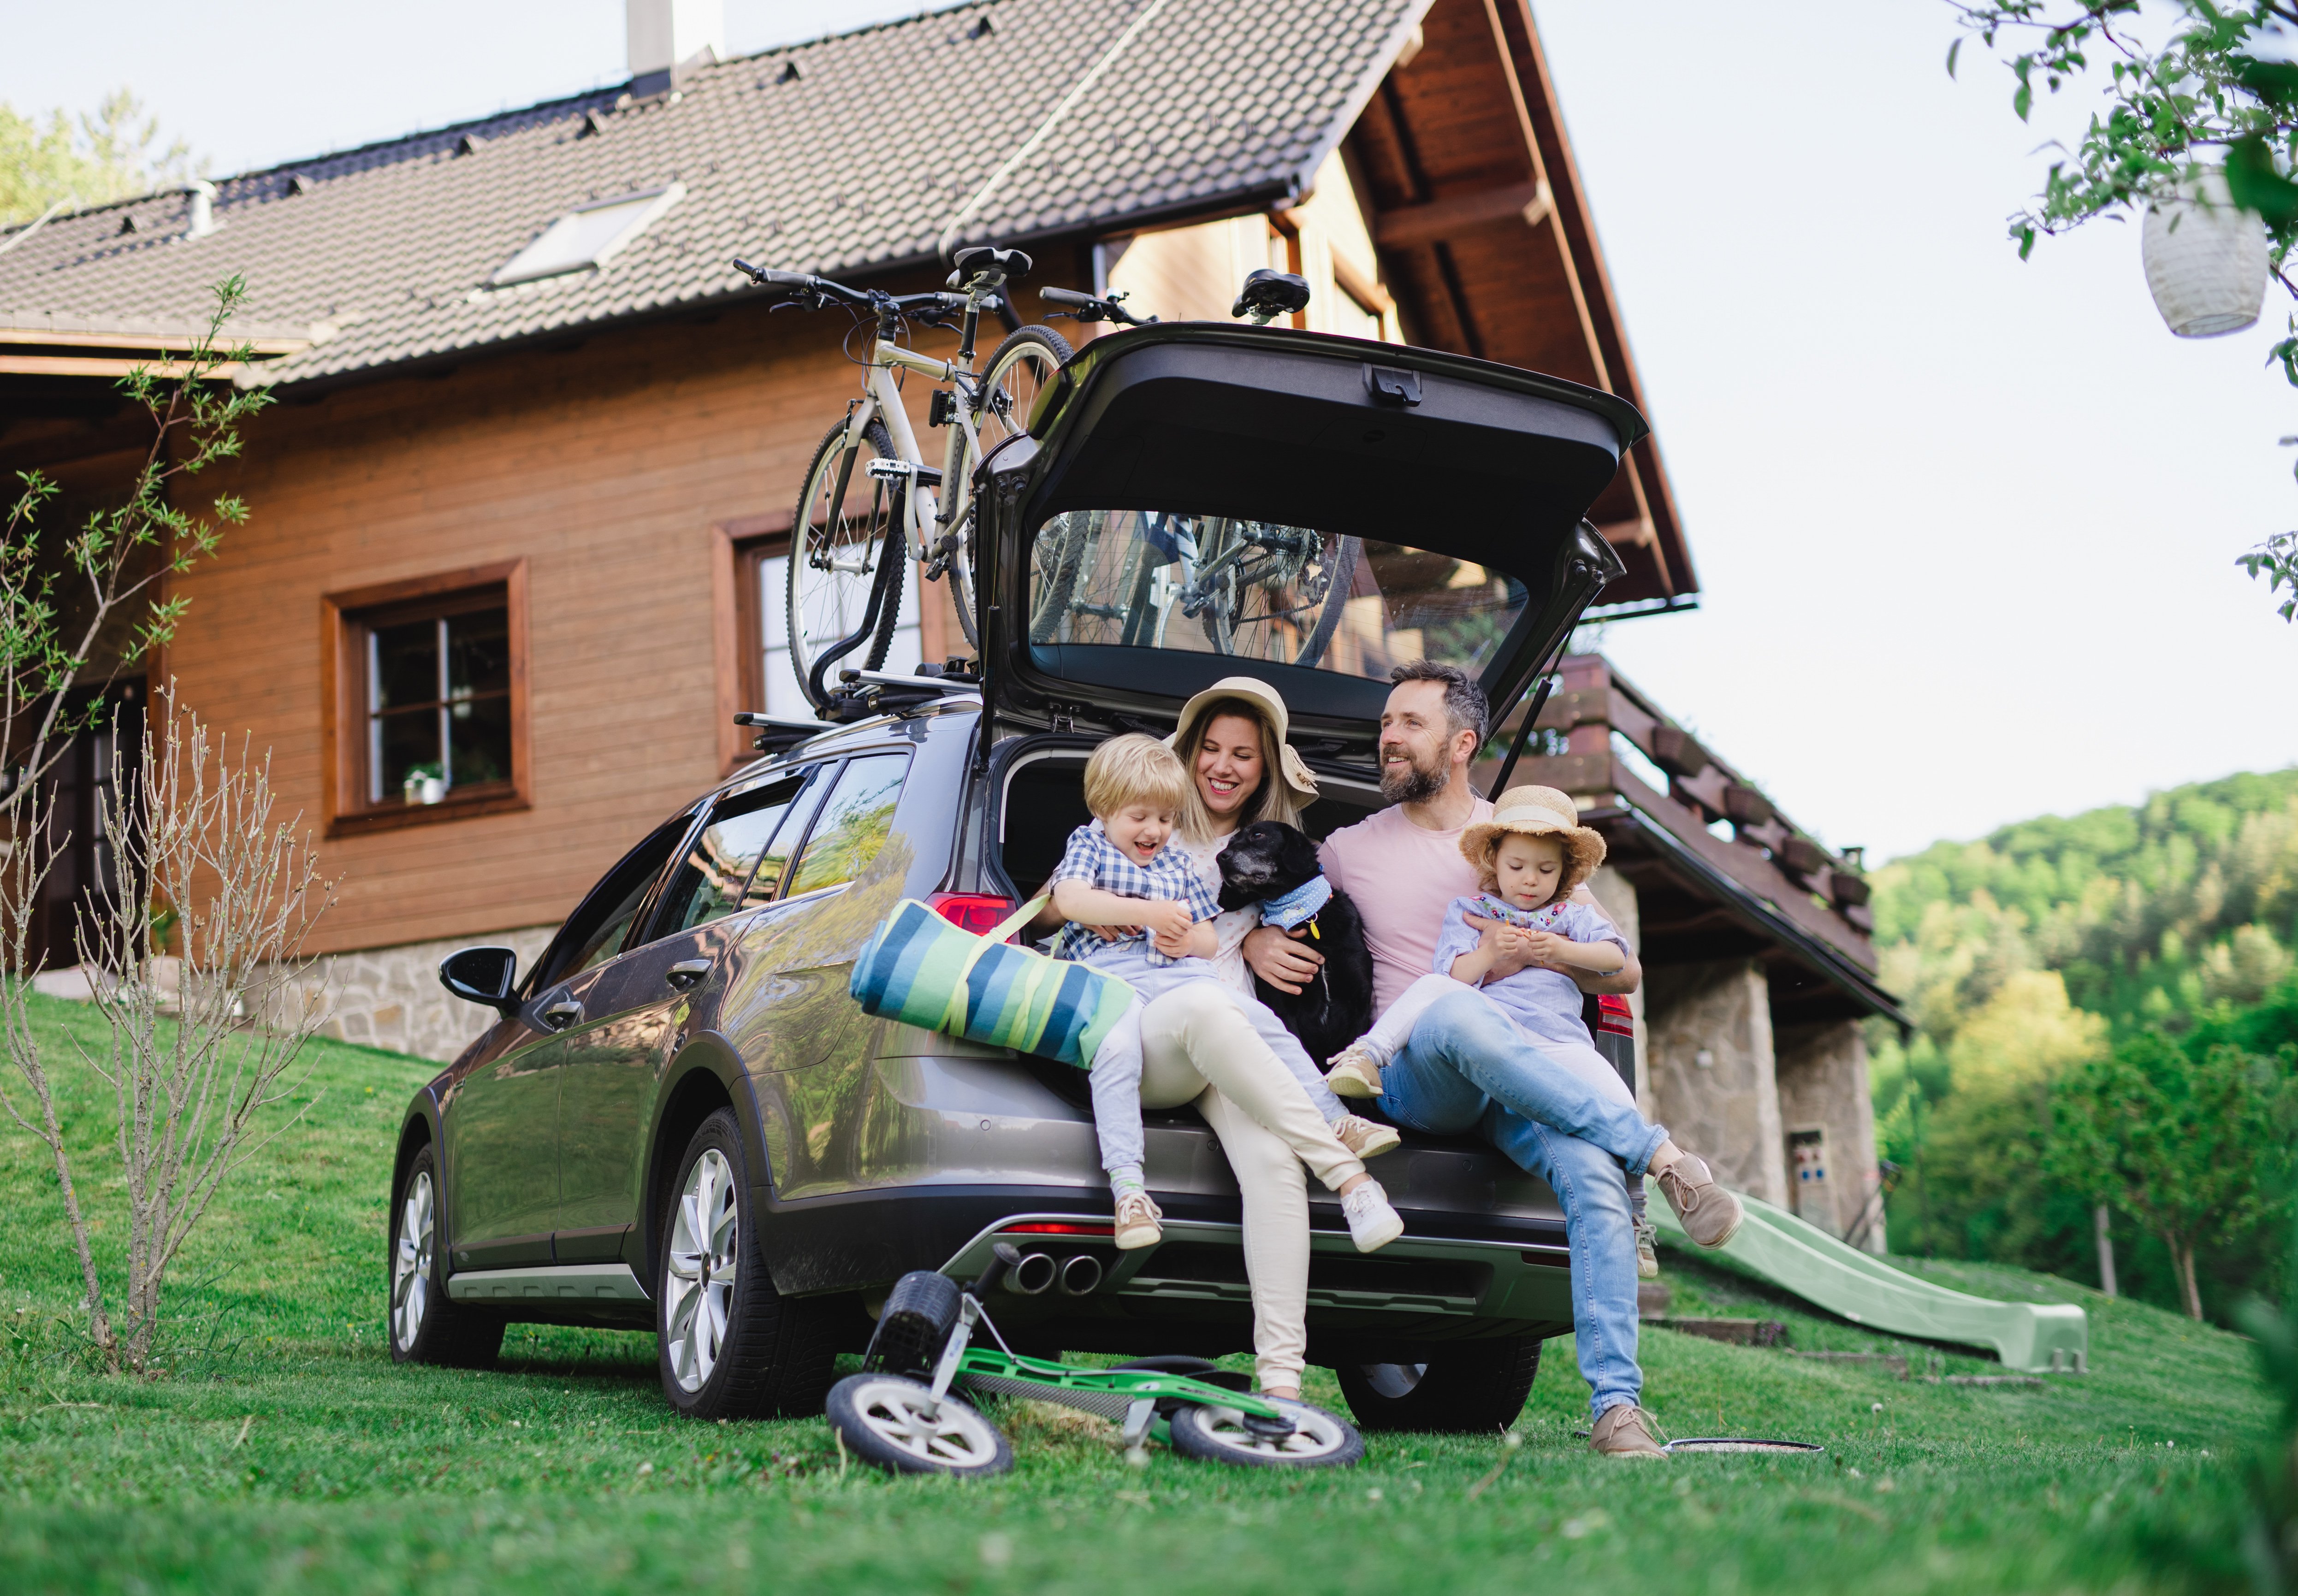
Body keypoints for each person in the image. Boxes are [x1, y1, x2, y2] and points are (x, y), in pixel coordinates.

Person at [1285, 661, 1745, 1458]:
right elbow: (1277, 905)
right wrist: (1259, 935)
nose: (1386, 736)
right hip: (1425, 1073)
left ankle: (1617, 1409)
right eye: (1387, 722)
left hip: (1529, 1073)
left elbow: (1622, 969)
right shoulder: (1351, 847)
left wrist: (1547, 950)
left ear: (1461, 743)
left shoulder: (1526, 843)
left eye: (1408, 723)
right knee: (1456, 1005)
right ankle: (1660, 1154)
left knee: (1594, 1177)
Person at [1046, 734, 1403, 1256]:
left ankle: (1337, 1120)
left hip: (1184, 987)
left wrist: (1188, 938)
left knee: (1262, 1041)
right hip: (1122, 989)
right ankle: (1129, 1189)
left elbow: (1207, 935)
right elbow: (1066, 899)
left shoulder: (1186, 861)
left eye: (1166, 819)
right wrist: (1136, 913)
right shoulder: (1093, 843)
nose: (1154, 830)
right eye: (1141, 817)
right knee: (1128, 1044)